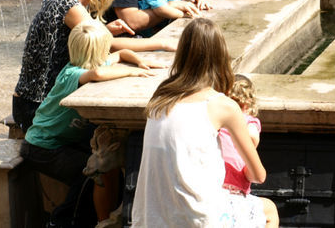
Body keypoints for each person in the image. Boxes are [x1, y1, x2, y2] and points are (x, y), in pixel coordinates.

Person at [12, 0, 175, 132]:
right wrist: (162, 44)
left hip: (28, 101)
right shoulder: (68, 4)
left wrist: (105, 31)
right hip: (39, 108)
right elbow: (108, 44)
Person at [132, 17, 270, 227]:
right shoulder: (222, 105)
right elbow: (258, 175)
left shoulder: (160, 98)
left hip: (149, 217)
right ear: (220, 56)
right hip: (199, 219)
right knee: (268, 210)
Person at [22, 21, 157, 225]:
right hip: (42, 147)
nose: (109, 52)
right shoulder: (72, 73)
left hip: (60, 143)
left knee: (103, 170)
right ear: (100, 50)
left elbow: (122, 53)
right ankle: (62, 221)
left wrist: (140, 63)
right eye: (106, 48)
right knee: (90, 173)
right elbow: (98, 75)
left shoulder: (94, 63)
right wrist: (131, 72)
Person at [218, 75, 280, 227]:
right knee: (270, 210)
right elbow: (254, 174)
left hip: (212, 192)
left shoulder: (216, 121)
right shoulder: (247, 121)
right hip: (233, 197)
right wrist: (249, 145)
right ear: (247, 104)